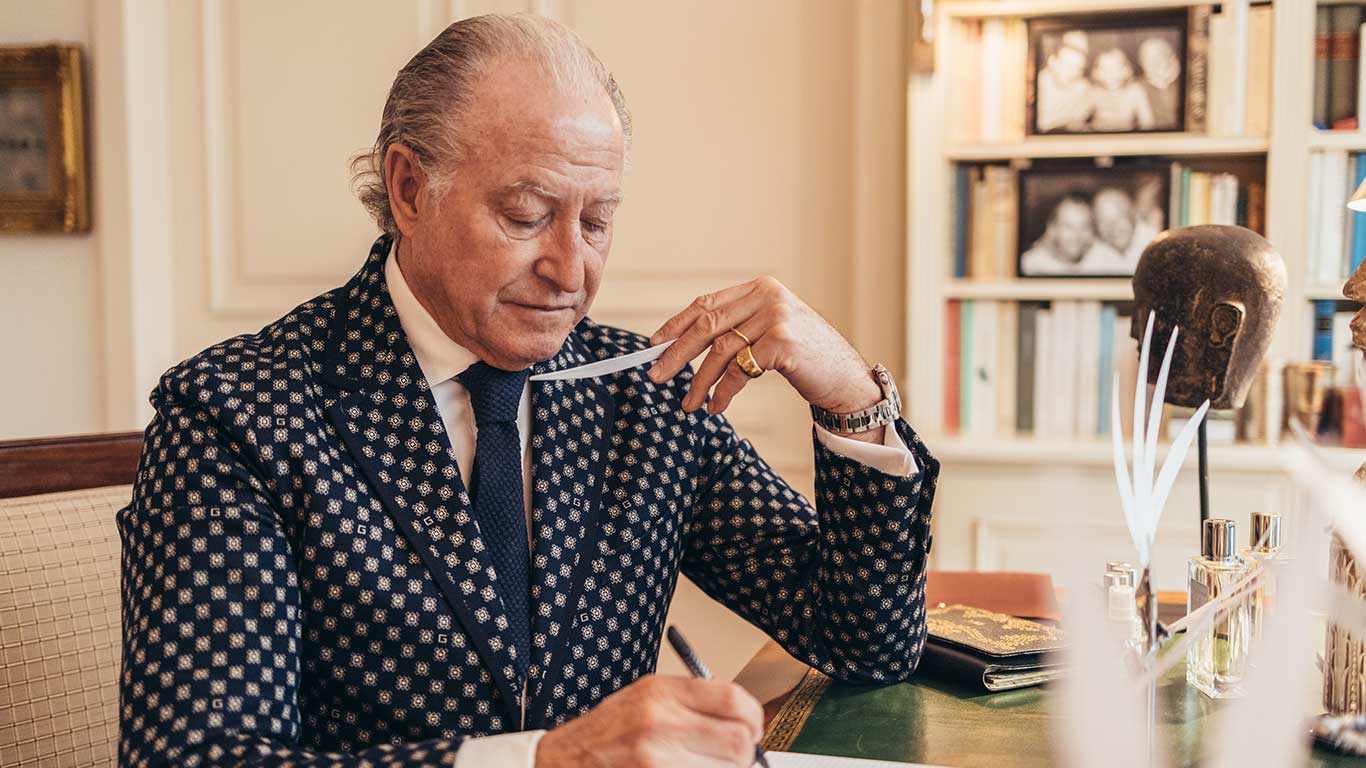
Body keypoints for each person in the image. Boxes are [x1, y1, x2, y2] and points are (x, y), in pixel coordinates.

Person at [116, 13, 938, 768]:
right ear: (408, 189)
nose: (571, 271)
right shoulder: (234, 415)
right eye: (525, 215)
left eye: (597, 222)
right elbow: (196, 760)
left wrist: (849, 394)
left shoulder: (644, 395)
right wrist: (545, 761)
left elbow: (865, 641)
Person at [1036, 31, 1094, 133]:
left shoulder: (1083, 87)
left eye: (1078, 68)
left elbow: (1081, 121)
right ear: (1052, 62)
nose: (1072, 72)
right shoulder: (1037, 83)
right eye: (1067, 65)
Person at [1088, 47, 1155, 133]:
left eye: (1116, 67)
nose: (1110, 72)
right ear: (1097, 72)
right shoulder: (1094, 92)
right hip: (1100, 138)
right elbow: (1078, 120)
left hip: (1126, 138)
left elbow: (1147, 122)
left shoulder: (1135, 91)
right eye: (1104, 68)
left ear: (1125, 70)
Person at [1093, 187, 1159, 270]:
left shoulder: (1155, 246)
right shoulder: (1099, 251)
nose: (1112, 227)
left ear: (1133, 214)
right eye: (1103, 221)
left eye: (1118, 217)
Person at [1138, 37, 1182, 130]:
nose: (1153, 63)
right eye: (1147, 59)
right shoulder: (1138, 87)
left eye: (1158, 56)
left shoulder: (1185, 82)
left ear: (1170, 57)